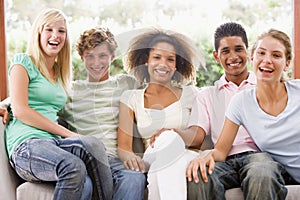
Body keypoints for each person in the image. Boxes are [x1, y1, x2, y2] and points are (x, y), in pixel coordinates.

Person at [5, 8, 113, 200]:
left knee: (94, 145)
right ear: (38, 32)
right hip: (27, 146)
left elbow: (53, 110)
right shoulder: (23, 62)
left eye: (61, 31)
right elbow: (20, 110)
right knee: (73, 166)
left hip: (53, 143)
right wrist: (69, 134)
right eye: (49, 29)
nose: (56, 35)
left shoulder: (59, 73)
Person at [187, 28, 298, 199]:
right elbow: (219, 150)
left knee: (261, 172)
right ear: (253, 56)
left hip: (259, 158)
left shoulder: (291, 90)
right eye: (261, 53)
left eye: (276, 55)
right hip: (227, 161)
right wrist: (202, 156)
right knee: (199, 175)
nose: (267, 60)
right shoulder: (237, 100)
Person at [59, 27, 147, 200]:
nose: (96, 62)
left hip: (117, 160)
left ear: (112, 57)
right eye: (90, 56)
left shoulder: (125, 83)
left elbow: (155, 91)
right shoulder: (70, 91)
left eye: (102, 56)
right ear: (82, 57)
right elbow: (39, 104)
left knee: (135, 179)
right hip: (86, 161)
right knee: (83, 186)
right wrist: (7, 104)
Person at [117, 28, 204, 200]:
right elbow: (124, 147)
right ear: (146, 61)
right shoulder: (131, 98)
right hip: (151, 155)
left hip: (187, 156)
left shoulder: (192, 94)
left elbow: (198, 136)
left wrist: (173, 134)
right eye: (157, 57)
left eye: (170, 59)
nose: (163, 64)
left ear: (176, 65)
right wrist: (131, 159)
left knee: (167, 155)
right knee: (166, 145)